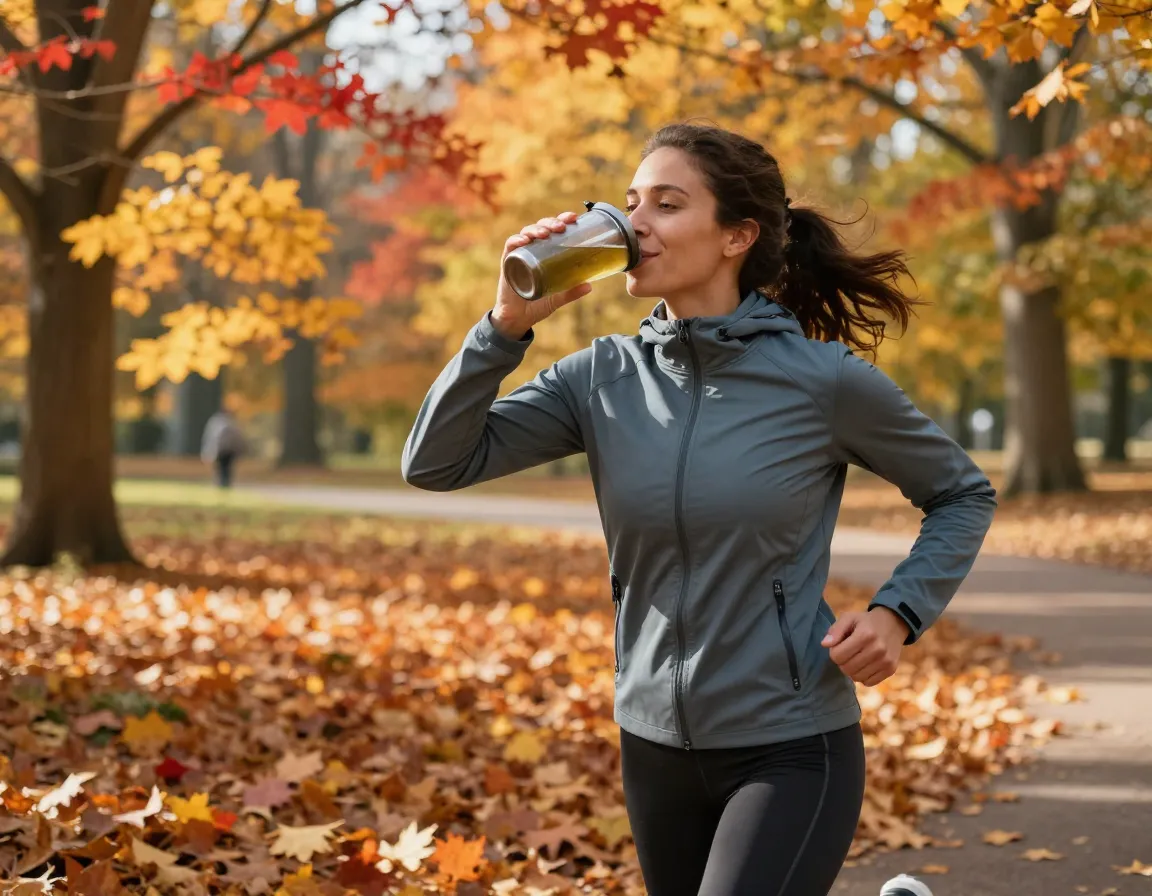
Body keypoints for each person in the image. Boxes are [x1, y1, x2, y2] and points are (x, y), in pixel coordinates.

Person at [402, 122, 996, 896]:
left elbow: (961, 493)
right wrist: (505, 326)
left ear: (736, 236)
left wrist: (896, 613)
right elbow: (437, 462)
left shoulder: (821, 381)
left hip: (788, 741)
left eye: (668, 204)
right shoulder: (601, 377)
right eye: (630, 202)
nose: (635, 222)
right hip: (651, 739)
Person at [200, 407, 246, 488]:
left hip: (221, 449)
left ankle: (222, 483)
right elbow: (238, 437)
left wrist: (208, 451)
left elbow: (211, 437)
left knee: (222, 467)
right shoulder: (231, 422)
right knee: (226, 468)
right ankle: (225, 483)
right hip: (229, 449)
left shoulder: (215, 423)